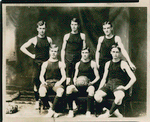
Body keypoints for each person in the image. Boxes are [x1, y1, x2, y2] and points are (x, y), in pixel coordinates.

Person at [94, 45, 136, 118]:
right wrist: (99, 89)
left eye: (117, 52)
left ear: (120, 53)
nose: (115, 54)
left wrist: (126, 88)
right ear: (110, 52)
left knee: (119, 97)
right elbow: (104, 79)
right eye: (113, 52)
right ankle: (115, 112)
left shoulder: (123, 63)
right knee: (97, 96)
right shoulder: (107, 63)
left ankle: (108, 114)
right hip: (109, 84)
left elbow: (133, 78)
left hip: (118, 84)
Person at [20, 20, 52, 109]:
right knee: (36, 82)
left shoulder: (49, 39)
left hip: (46, 63)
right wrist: (32, 55)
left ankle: (46, 100)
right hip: (37, 63)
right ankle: (37, 101)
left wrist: (50, 61)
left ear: (46, 29)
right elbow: (22, 47)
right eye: (40, 28)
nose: (42, 30)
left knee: (46, 81)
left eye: (44, 28)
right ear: (37, 29)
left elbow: (51, 51)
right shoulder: (34, 39)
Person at [66, 47, 100, 117]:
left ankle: (88, 111)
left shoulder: (93, 63)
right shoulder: (78, 64)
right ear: (81, 53)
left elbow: (98, 77)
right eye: (83, 53)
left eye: (86, 53)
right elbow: (75, 76)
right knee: (69, 88)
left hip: (88, 85)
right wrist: (75, 81)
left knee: (91, 89)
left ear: (89, 54)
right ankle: (71, 111)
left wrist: (92, 83)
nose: (84, 54)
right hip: (79, 85)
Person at [39, 44, 66, 117]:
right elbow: (41, 76)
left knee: (60, 91)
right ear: (49, 52)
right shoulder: (45, 63)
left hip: (56, 83)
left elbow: (64, 76)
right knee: (41, 91)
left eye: (55, 51)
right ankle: (50, 109)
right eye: (52, 51)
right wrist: (43, 82)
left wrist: (59, 82)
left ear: (57, 53)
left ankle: (52, 110)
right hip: (47, 83)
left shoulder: (60, 64)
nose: (53, 53)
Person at [61, 18, 86, 86]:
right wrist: (63, 62)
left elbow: (84, 49)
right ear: (70, 25)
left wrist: (82, 60)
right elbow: (63, 49)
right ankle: (67, 95)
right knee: (68, 80)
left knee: (77, 79)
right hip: (68, 59)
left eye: (75, 24)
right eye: (72, 24)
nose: (73, 26)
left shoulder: (82, 36)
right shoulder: (67, 36)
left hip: (78, 59)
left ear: (78, 25)